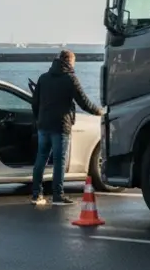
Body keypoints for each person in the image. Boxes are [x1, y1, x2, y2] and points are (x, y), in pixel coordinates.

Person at [29, 50, 104, 205]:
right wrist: (99, 112)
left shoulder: (43, 78)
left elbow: (34, 103)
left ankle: (36, 194)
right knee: (59, 161)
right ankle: (58, 195)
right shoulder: (70, 79)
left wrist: (38, 119)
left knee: (41, 159)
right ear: (70, 61)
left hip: (44, 125)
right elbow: (84, 102)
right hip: (61, 126)